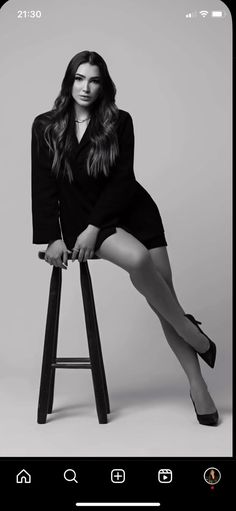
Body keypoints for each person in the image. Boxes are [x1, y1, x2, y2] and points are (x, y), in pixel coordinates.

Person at [31, 50, 219, 426]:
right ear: (69, 82)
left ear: (104, 84)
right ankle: (189, 329)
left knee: (162, 293)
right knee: (139, 262)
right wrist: (52, 236)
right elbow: (42, 185)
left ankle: (198, 387)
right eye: (79, 78)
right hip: (82, 220)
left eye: (94, 79)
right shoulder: (46, 125)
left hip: (132, 209)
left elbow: (123, 180)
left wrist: (95, 226)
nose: (86, 87)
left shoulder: (119, 121)